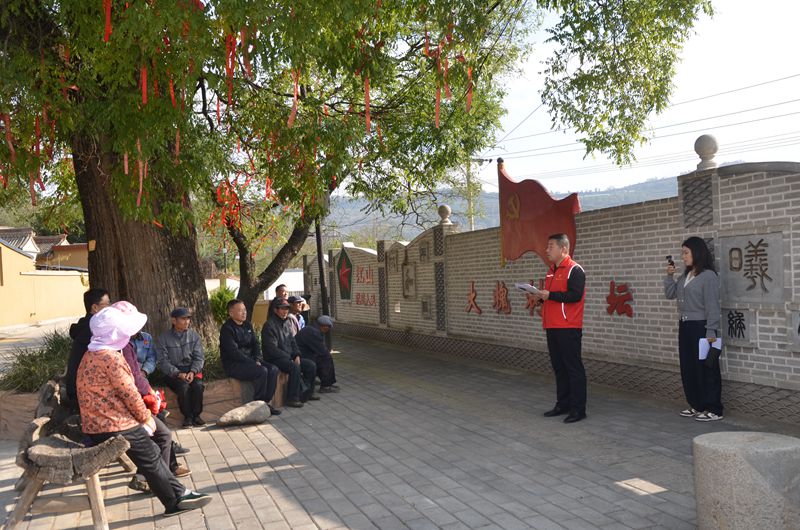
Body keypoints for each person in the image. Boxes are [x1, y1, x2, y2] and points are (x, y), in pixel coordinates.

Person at [76, 303, 211, 517]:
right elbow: (129, 393)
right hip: (112, 423)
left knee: (154, 450)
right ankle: (174, 500)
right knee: (151, 454)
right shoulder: (111, 358)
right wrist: (146, 417)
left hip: (98, 422)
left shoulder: (91, 353)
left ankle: (179, 494)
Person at [664, 236, 722, 422]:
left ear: (697, 252)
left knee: (707, 368)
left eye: (686, 252)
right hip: (685, 326)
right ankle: (697, 404)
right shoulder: (685, 276)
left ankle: (714, 408)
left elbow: (713, 306)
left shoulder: (708, 276)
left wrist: (711, 331)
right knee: (688, 367)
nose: (683, 257)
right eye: (682, 253)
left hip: (702, 327)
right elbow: (670, 294)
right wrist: (669, 276)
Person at [533, 234, 588, 424]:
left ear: (563, 249)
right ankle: (562, 404)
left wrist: (550, 295)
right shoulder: (551, 271)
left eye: (551, 246)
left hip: (568, 326)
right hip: (552, 325)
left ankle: (578, 410)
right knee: (559, 368)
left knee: (573, 368)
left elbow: (575, 295)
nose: (547, 250)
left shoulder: (575, 269)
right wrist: (540, 298)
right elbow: (553, 297)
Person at [219, 299, 282, 415]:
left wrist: (257, 359)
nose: (244, 312)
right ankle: (257, 405)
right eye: (240, 310)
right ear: (231, 313)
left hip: (251, 361)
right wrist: (252, 363)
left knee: (273, 369)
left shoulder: (247, 325)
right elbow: (234, 352)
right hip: (235, 364)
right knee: (262, 371)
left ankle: (265, 403)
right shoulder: (227, 329)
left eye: (244, 310)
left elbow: (255, 344)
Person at [261, 298, 317, 407]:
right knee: (294, 367)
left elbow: (293, 341)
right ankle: (293, 398)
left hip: (288, 357)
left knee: (311, 365)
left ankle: (308, 393)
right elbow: (272, 349)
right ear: (275, 310)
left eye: (287, 308)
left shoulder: (287, 323)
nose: (285, 311)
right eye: (282, 309)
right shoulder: (269, 325)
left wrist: (297, 355)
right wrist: (289, 358)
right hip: (275, 358)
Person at [156, 307, 206, 427]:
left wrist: (193, 371)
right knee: (183, 387)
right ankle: (187, 417)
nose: (187, 321)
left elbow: (199, 358)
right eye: (183, 319)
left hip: (191, 370)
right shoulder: (163, 338)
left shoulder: (194, 336)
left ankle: (196, 416)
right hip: (173, 372)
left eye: (188, 318)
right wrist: (178, 373)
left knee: (198, 386)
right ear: (174, 320)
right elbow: (163, 361)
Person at [65, 288, 110, 405]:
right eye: (107, 304)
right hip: (83, 393)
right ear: (95, 307)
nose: (110, 308)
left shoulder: (85, 325)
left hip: (78, 388)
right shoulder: (94, 329)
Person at [295, 315, 339, 393]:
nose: (328, 330)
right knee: (326, 358)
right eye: (328, 327)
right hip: (300, 356)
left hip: (302, 354)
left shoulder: (313, 329)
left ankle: (327, 382)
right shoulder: (313, 332)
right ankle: (325, 385)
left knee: (324, 357)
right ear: (324, 327)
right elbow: (322, 351)